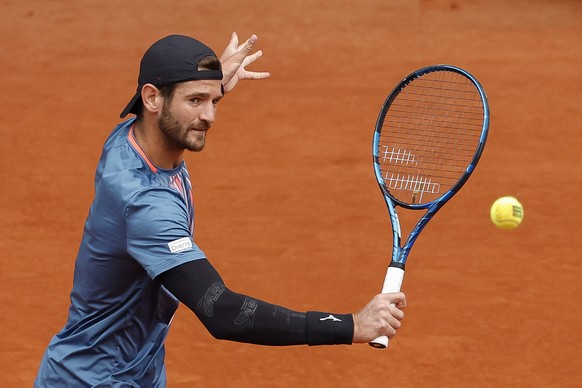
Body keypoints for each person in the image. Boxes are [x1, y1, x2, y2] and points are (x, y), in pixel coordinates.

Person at [34, 33, 406, 387]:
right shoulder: (145, 205)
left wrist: (213, 84)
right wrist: (351, 325)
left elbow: (178, 108)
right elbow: (222, 312)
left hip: (125, 372)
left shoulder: (128, 143)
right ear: (151, 99)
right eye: (196, 101)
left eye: (212, 101)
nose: (210, 116)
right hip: (97, 379)